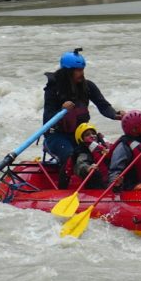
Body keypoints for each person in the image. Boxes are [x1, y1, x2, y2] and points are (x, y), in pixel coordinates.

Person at [42, 48, 124, 185]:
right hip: (56, 136)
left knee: (103, 152)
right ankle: (63, 187)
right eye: (77, 70)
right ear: (67, 71)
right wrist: (61, 110)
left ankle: (106, 181)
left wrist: (115, 115)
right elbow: (47, 120)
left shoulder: (88, 86)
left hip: (80, 135)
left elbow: (103, 106)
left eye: (82, 69)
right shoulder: (53, 90)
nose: (81, 73)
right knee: (70, 156)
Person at [71, 122, 110, 188]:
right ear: (81, 139)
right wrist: (88, 168)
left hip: (109, 178)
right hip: (94, 184)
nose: (92, 136)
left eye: (93, 133)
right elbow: (80, 164)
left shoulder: (103, 147)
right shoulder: (83, 152)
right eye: (87, 135)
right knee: (95, 175)